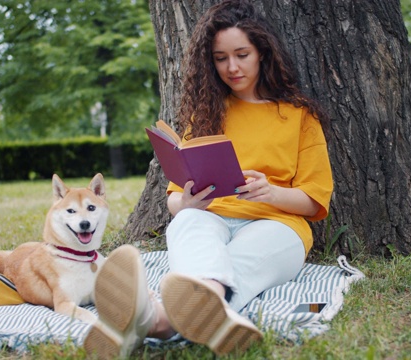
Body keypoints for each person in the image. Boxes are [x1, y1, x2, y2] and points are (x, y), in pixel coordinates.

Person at [83, 0, 333, 358]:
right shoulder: (206, 113)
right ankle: (207, 312)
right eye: (220, 58)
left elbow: (315, 200)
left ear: (262, 52)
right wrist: (186, 202)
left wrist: (270, 192)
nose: (232, 67)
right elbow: (173, 197)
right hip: (211, 215)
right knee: (188, 223)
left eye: (242, 54)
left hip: (278, 226)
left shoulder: (299, 116)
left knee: (244, 259)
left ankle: (156, 320)